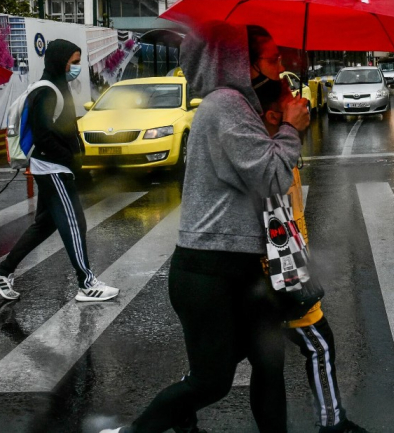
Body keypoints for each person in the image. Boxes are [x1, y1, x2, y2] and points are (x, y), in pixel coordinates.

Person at [102, 24, 310, 433]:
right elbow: (269, 180)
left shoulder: (242, 107)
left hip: (248, 265)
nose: (281, 66)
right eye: (272, 58)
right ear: (240, 62)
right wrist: (290, 129)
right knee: (211, 381)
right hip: (209, 270)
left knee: (269, 366)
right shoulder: (225, 105)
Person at [176, 92, 365, 433]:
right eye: (287, 102)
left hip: (271, 270)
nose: (298, 101)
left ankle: (181, 408)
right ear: (273, 116)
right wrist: (290, 272)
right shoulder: (263, 160)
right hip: (276, 273)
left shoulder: (267, 152)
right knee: (317, 345)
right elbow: (272, 223)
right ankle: (332, 423)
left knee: (228, 357)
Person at [0, 40, 118, 302]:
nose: (77, 67)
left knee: (44, 224)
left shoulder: (57, 87)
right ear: (60, 60)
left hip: (54, 167)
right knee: (73, 222)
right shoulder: (46, 91)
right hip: (53, 168)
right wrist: (69, 159)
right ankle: (86, 284)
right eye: (74, 62)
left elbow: (63, 129)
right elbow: (44, 135)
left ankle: (3, 272)